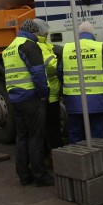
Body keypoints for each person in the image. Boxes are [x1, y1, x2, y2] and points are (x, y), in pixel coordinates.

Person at [2, 19, 54, 187]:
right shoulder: (30, 46)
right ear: (34, 32)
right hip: (31, 98)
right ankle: (40, 176)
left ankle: (24, 176)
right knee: (36, 138)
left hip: (16, 99)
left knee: (22, 138)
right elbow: (38, 73)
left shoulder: (10, 48)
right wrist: (43, 94)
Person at [57, 21, 103, 144]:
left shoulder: (67, 48)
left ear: (78, 34)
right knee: (97, 134)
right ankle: (98, 160)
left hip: (73, 100)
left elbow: (60, 72)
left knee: (75, 133)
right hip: (96, 100)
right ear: (92, 33)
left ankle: (77, 161)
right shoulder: (100, 48)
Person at [32, 18, 64, 154]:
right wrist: (61, 64)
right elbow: (49, 66)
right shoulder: (39, 45)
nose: (47, 33)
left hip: (50, 94)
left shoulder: (43, 44)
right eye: (45, 31)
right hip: (48, 96)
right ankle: (56, 158)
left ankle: (49, 156)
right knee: (52, 128)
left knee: (49, 128)